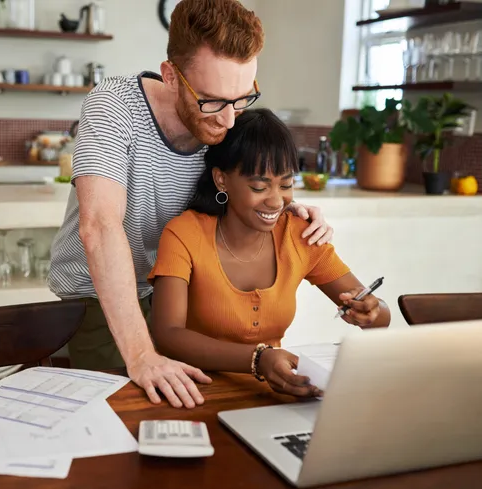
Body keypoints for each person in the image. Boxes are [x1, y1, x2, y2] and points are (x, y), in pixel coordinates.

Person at [48, 0, 335, 409]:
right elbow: (99, 226)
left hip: (178, 292)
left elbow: (245, 182)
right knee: (126, 414)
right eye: (213, 101)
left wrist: (286, 205)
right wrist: (142, 356)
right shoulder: (114, 106)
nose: (229, 120)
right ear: (171, 76)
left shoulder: (225, 116)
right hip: (98, 294)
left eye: (242, 98)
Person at [147, 108, 391, 398]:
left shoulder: (300, 234)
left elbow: (377, 312)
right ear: (221, 180)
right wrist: (258, 359)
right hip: (189, 390)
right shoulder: (184, 233)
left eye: (286, 184)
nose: (276, 201)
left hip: (271, 393)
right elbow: (167, 335)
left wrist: (373, 311)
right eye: (259, 186)